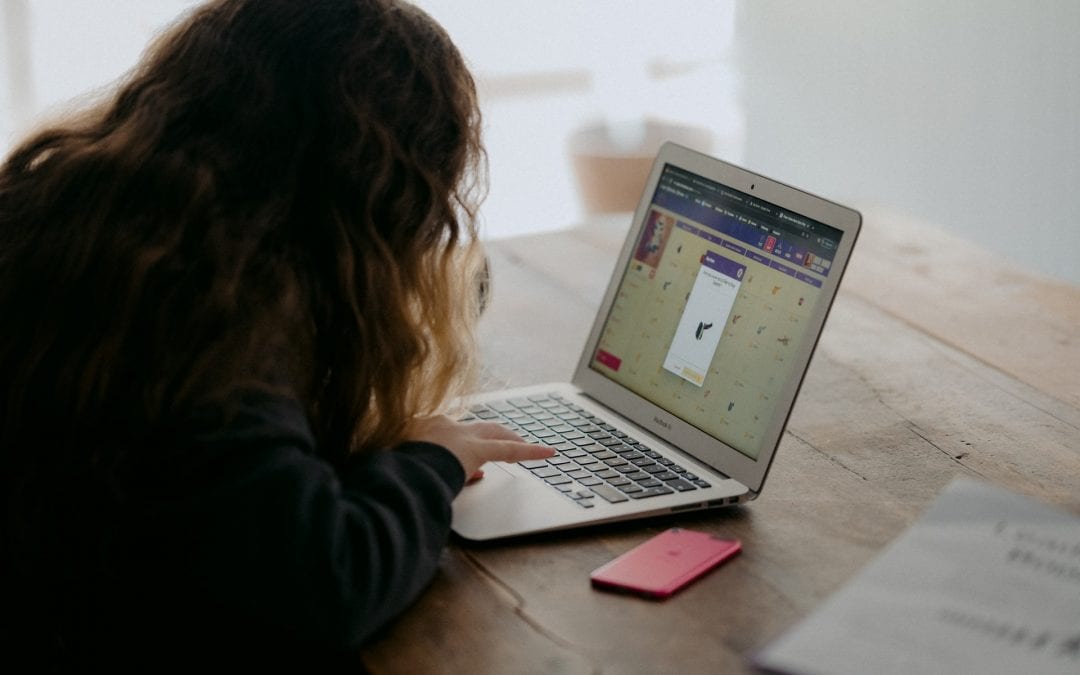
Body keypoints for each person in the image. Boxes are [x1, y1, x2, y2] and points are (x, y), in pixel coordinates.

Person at [0, 0, 552, 668]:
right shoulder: (212, 314)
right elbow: (325, 583)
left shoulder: (79, 210)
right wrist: (431, 460)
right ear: (374, 192)